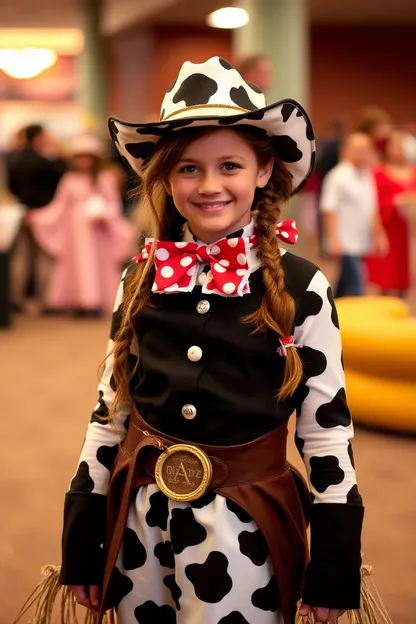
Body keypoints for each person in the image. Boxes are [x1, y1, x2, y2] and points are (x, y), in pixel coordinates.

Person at [60, 57, 364, 624]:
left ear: (264, 170)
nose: (209, 186)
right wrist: (83, 538)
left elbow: (327, 432)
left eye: (230, 165)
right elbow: (109, 413)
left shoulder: (303, 285)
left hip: (246, 530)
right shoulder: (139, 276)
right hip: (139, 529)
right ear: (166, 179)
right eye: (188, 170)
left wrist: (336, 560)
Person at [27, 135, 136, 316]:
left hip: (98, 232)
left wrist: (103, 213)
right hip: (75, 233)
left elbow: (113, 205)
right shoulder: (69, 180)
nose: (84, 161)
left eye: (88, 157)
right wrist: (38, 217)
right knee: (77, 265)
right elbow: (58, 207)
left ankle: (95, 302)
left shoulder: (105, 179)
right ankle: (78, 301)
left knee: (96, 264)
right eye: (80, 157)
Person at [7, 124, 67, 311]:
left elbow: (12, 188)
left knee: (20, 259)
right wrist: (58, 153)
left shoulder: (14, 160)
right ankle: (45, 301)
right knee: (44, 258)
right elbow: (64, 173)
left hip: (22, 213)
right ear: (39, 138)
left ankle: (15, 299)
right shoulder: (44, 161)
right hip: (44, 215)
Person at [320, 133, 387, 297]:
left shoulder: (367, 175)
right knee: (358, 286)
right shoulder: (337, 176)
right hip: (344, 242)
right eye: (358, 150)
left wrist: (379, 235)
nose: (363, 154)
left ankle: (332, 310)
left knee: (343, 286)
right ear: (346, 151)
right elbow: (328, 208)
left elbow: (372, 208)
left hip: (362, 241)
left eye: (366, 150)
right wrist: (333, 239)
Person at [366, 131, 416, 297]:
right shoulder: (378, 172)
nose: (400, 149)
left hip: (409, 231)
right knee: (387, 277)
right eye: (395, 145)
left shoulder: (413, 171)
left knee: (406, 276)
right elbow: (372, 202)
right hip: (389, 228)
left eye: (402, 145)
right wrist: (396, 201)